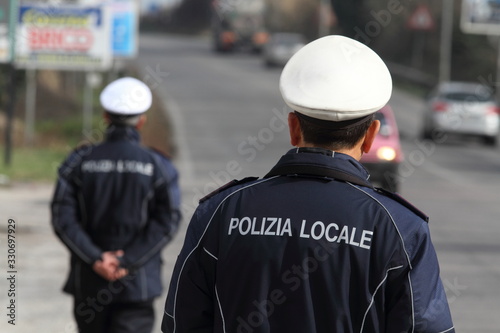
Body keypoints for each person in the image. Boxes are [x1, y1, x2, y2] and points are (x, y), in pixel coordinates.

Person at [161, 35, 455, 333]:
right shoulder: (401, 229)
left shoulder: (219, 213)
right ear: (370, 136)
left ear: (292, 126)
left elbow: (179, 324)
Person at [51, 77, 181, 333]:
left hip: (89, 281)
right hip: (137, 284)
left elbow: (62, 218)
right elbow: (167, 222)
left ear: (105, 116)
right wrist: (127, 261)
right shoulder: (159, 165)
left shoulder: (78, 161)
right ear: (142, 120)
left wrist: (96, 258)